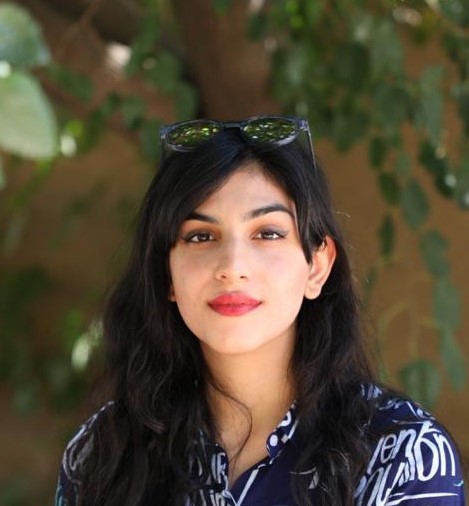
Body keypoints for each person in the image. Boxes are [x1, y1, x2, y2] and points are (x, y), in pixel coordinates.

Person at [55, 116, 466, 505]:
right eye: (200, 236)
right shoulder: (101, 455)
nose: (232, 267)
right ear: (167, 274)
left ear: (317, 266)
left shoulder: (403, 455)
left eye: (267, 233)